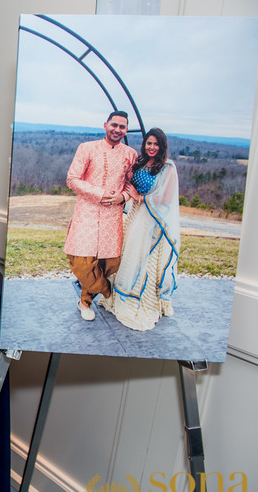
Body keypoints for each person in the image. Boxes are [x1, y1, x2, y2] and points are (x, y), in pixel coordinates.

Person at [100, 128, 180, 331]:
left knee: (143, 258)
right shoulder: (140, 163)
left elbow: (167, 198)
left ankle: (143, 301)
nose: (152, 147)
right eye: (149, 143)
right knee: (126, 254)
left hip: (152, 218)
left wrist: (140, 198)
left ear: (162, 146)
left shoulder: (167, 167)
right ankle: (116, 296)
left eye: (156, 144)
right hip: (134, 213)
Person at [64, 111, 138, 321]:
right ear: (105, 125)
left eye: (122, 127)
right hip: (87, 212)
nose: (117, 130)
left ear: (126, 130)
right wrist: (100, 194)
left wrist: (122, 197)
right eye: (114, 125)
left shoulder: (130, 154)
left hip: (112, 216)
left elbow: (132, 184)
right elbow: (72, 179)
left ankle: (85, 302)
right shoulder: (87, 148)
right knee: (82, 262)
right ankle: (109, 292)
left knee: (108, 264)